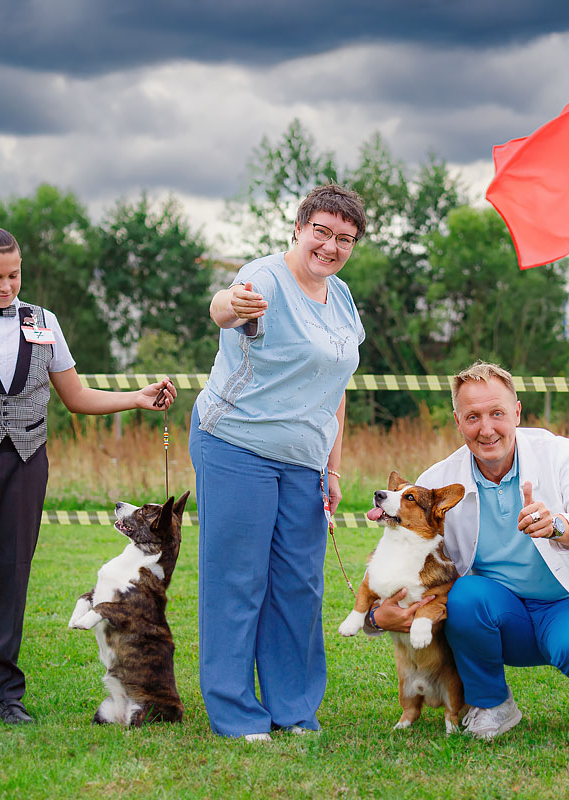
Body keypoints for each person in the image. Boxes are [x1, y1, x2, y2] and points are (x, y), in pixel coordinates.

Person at [0, 226, 176, 731]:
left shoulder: (44, 322)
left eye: (15, 275)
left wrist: (135, 397)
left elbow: (77, 397)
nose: (7, 286)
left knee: (11, 573)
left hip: (25, 462)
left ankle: (2, 693)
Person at [368, 361, 569, 743]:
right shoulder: (437, 482)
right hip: (499, 615)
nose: (486, 429)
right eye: (473, 417)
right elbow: (395, 563)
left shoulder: (561, 455)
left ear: (517, 412)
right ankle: (492, 704)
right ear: (458, 421)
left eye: (497, 414)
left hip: (564, 606)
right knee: (466, 596)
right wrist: (375, 618)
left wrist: (558, 524)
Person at [190, 184, 366, 741]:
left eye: (345, 238)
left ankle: (293, 708)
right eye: (322, 232)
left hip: (304, 460)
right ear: (299, 228)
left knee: (299, 585)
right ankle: (236, 711)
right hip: (236, 445)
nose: (331, 246)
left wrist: (332, 470)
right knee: (238, 580)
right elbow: (226, 304)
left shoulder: (341, 298)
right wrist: (229, 305)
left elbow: (336, 389)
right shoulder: (264, 279)